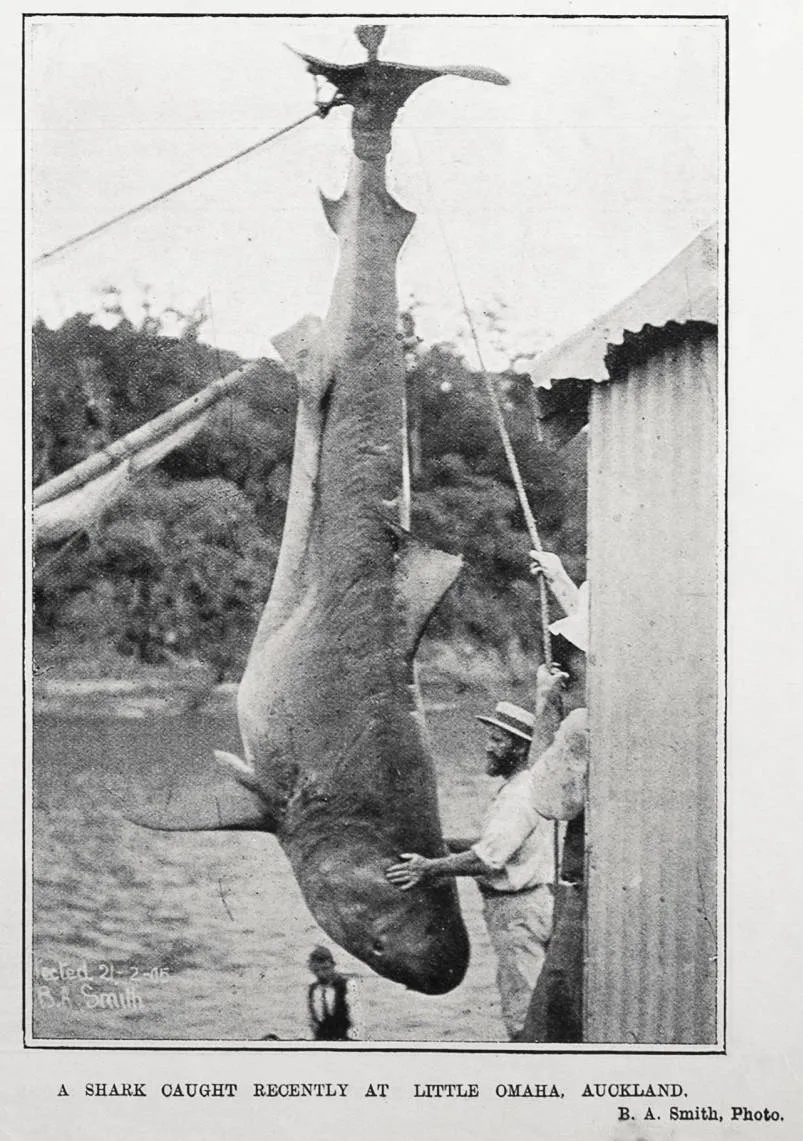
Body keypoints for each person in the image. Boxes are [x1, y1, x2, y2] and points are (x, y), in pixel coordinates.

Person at [385, 700, 562, 1041]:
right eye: (490, 737)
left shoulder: (516, 798)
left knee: (522, 1005)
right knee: (536, 994)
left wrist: (429, 868)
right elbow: (497, 845)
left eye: (498, 740)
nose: (488, 747)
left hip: (518, 912)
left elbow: (487, 858)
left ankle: (531, 1064)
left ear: (521, 747)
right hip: (534, 902)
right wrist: (441, 844)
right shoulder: (526, 787)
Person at [518, 548, 590, 1043]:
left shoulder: (582, 727)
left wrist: (546, 704)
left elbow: (545, 798)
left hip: (583, 884)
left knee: (560, 997)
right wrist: (561, 578)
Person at [306, 945, 360, 1041]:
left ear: (332, 965)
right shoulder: (313, 990)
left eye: (325, 969)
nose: (321, 974)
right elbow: (313, 1023)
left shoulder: (348, 986)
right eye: (317, 970)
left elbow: (356, 1021)